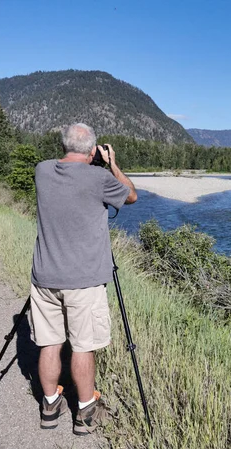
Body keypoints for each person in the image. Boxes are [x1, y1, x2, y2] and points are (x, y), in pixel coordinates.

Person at [28, 123, 137, 435]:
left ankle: (50, 405)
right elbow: (130, 196)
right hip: (84, 281)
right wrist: (111, 162)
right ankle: (86, 412)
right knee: (82, 345)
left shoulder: (42, 171)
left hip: (45, 277)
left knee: (49, 343)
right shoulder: (100, 177)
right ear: (93, 150)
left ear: (63, 146)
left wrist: (89, 160)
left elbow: (67, 168)